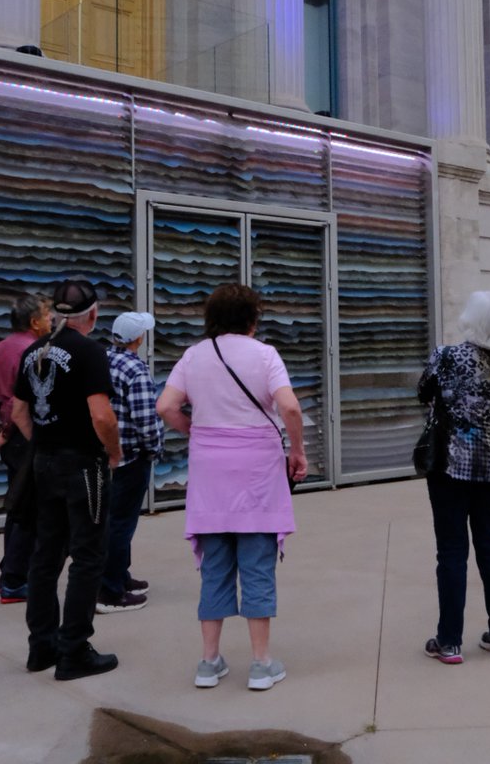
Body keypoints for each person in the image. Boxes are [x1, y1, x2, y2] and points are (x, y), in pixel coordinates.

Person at [156, 282, 307, 691]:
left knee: (215, 566)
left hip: (209, 474)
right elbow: (289, 406)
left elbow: (166, 406)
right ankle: (260, 664)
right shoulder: (265, 355)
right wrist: (297, 450)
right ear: (252, 319)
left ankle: (209, 663)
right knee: (257, 564)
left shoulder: (193, 356)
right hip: (257, 472)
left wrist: (194, 430)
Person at [10, 277, 122, 681]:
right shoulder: (89, 351)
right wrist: (112, 451)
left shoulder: (33, 351)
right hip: (83, 465)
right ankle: (74, 650)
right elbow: (101, 415)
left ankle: (42, 646)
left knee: (46, 555)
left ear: (55, 313)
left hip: (44, 462)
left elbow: (19, 413)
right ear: (92, 314)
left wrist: (45, 442)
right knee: (88, 555)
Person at [418, 290, 490, 665]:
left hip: (450, 465)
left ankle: (449, 641)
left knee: (452, 551)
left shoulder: (445, 356)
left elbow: (422, 391)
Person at [0, 293, 52, 602]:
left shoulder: (1, 348)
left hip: (13, 439)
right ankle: (14, 580)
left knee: (18, 507)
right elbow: (25, 402)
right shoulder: (31, 352)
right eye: (48, 315)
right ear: (34, 323)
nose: (53, 320)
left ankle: (11, 571)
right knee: (29, 512)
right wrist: (13, 430)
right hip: (28, 437)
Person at [95, 311, 165, 614]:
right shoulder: (136, 369)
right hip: (131, 455)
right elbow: (145, 420)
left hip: (104, 453)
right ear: (138, 338)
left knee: (112, 519)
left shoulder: (103, 360)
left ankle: (120, 576)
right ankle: (110, 590)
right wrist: (154, 447)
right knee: (122, 523)